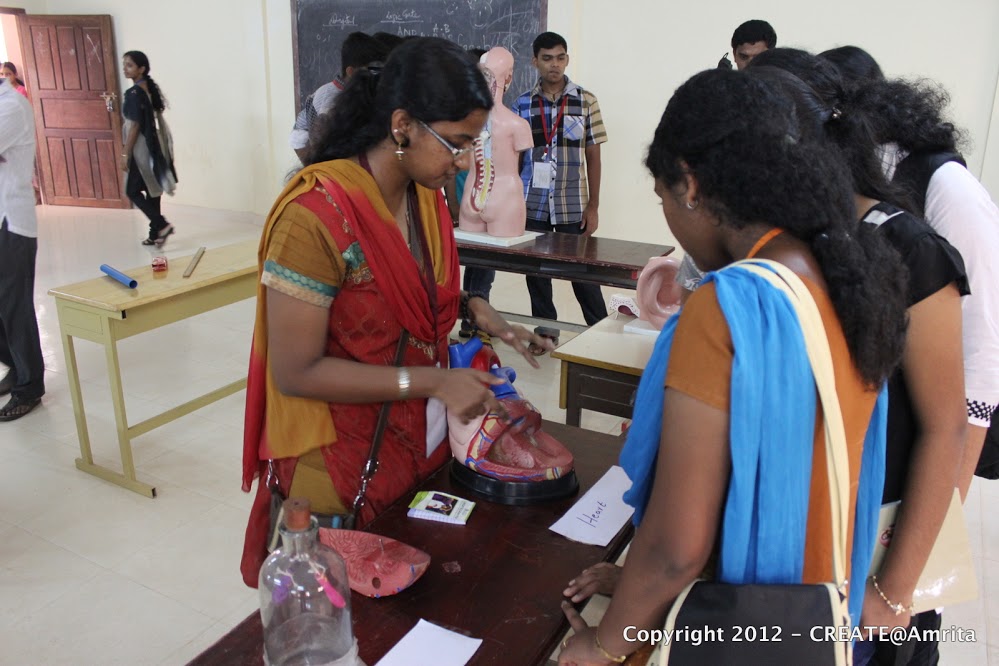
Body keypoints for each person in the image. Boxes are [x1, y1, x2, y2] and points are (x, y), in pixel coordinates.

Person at [557, 68, 909, 665]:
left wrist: (605, 644)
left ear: (690, 185)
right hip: (807, 615)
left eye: (664, 198)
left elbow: (676, 547)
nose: (668, 215)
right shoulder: (848, 279)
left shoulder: (729, 305)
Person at [240, 37, 554, 587]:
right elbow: (296, 372)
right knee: (349, 620)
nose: (462, 163)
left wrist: (480, 310)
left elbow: (405, 293)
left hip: (415, 446)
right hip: (339, 462)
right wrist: (435, 380)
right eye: (455, 144)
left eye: (471, 145)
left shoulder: (423, 195)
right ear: (402, 123)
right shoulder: (313, 220)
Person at [750, 48, 971, 666]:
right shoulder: (789, 242)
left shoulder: (911, 248)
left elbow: (945, 424)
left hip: (878, 543)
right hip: (805, 538)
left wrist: (892, 590)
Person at [824, 47, 999, 508]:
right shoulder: (849, 184)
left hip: (934, 416)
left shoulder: (948, 190)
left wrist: (946, 514)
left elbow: (981, 360)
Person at [514, 31, 608, 352]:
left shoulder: (586, 101)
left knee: (582, 274)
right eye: (547, 58)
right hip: (534, 204)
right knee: (537, 275)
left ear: (567, 59)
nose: (554, 65)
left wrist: (593, 206)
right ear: (535, 61)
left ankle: (601, 335)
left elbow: (593, 156)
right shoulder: (523, 104)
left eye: (560, 57)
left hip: (571, 205)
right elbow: (515, 159)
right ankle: (546, 335)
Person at [0, 75, 45, 421]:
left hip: (13, 223)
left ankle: (29, 387)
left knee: (15, 307)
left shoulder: (12, 107)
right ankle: (16, 365)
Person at [289, 32, 391, 163]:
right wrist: (315, 169)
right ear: (351, 71)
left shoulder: (360, 93)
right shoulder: (329, 96)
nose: (376, 76)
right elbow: (299, 138)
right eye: (370, 71)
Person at [120, 50, 177, 247]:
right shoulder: (148, 88)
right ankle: (155, 234)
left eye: (130, 65)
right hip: (154, 144)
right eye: (125, 64)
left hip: (141, 147)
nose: (125, 68)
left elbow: (134, 125)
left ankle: (161, 225)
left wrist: (126, 153)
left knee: (132, 190)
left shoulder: (134, 93)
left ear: (141, 69)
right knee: (153, 189)